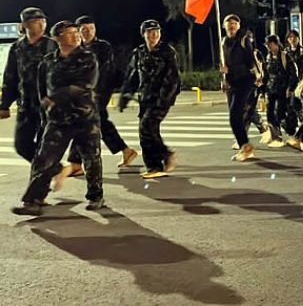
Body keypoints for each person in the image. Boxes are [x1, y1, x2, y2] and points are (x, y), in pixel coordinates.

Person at [11, 21, 104, 216]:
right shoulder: (48, 62)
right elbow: (42, 90)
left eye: (76, 32)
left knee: (91, 158)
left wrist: (55, 97)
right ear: (57, 38)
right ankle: (33, 201)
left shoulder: (87, 58)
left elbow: (86, 85)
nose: (76, 36)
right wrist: (44, 111)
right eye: (70, 33)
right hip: (58, 120)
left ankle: (95, 196)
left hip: (85, 117)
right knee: (44, 159)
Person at [63, 16, 139, 177]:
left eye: (91, 29)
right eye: (84, 29)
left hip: (99, 92)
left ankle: (75, 163)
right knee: (100, 123)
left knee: (83, 123)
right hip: (82, 94)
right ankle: (126, 151)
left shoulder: (103, 47)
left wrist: (94, 92)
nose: (88, 32)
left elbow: (105, 71)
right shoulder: (75, 49)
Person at [119, 20, 180, 177]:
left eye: (157, 31)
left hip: (162, 97)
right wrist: (125, 95)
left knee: (147, 126)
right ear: (143, 34)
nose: (154, 34)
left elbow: (172, 79)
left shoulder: (167, 52)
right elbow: (133, 76)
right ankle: (153, 167)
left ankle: (164, 156)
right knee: (145, 131)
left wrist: (163, 100)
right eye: (150, 31)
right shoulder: (139, 52)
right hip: (145, 97)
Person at [0, 7, 58, 162]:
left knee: (45, 146)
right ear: (25, 24)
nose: (41, 24)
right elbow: (10, 77)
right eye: (36, 21)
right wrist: (4, 105)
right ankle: (53, 169)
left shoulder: (53, 46)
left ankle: (45, 172)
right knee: (21, 145)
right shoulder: (17, 48)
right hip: (26, 105)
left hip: (48, 106)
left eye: (43, 21)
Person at [220, 15, 260, 159]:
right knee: (236, 116)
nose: (232, 26)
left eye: (235, 23)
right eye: (229, 23)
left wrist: (258, 75)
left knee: (235, 116)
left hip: (244, 80)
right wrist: (223, 76)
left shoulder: (243, 40)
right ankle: (245, 146)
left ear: (238, 26)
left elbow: (251, 61)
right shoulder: (223, 42)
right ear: (224, 25)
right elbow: (223, 63)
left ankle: (245, 146)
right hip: (232, 82)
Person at [258, 35, 299, 152]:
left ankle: (292, 130)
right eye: (267, 45)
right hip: (271, 89)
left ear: (276, 44)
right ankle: (276, 137)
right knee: (270, 114)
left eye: (270, 44)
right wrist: (262, 90)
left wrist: (290, 88)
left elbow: (293, 74)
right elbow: (266, 74)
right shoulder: (268, 57)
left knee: (281, 114)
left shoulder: (285, 56)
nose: (268, 47)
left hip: (283, 89)